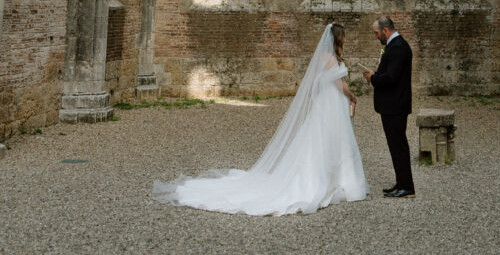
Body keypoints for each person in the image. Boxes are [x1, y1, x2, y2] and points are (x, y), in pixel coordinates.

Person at [152, 23, 368, 215]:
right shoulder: (331, 58)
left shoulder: (324, 56)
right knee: (327, 140)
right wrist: (352, 95)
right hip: (330, 103)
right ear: (339, 38)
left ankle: (333, 179)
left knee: (322, 140)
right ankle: (327, 181)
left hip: (326, 104)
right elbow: (337, 84)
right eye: (344, 36)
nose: (345, 39)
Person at [363, 14, 415, 198]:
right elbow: (392, 73)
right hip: (392, 105)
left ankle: (407, 187)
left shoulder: (398, 47)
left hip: (395, 106)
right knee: (395, 145)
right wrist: (378, 73)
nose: (375, 36)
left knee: (398, 145)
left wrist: (373, 78)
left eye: (376, 33)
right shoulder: (393, 46)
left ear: (386, 30)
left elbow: (392, 78)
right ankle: (401, 183)